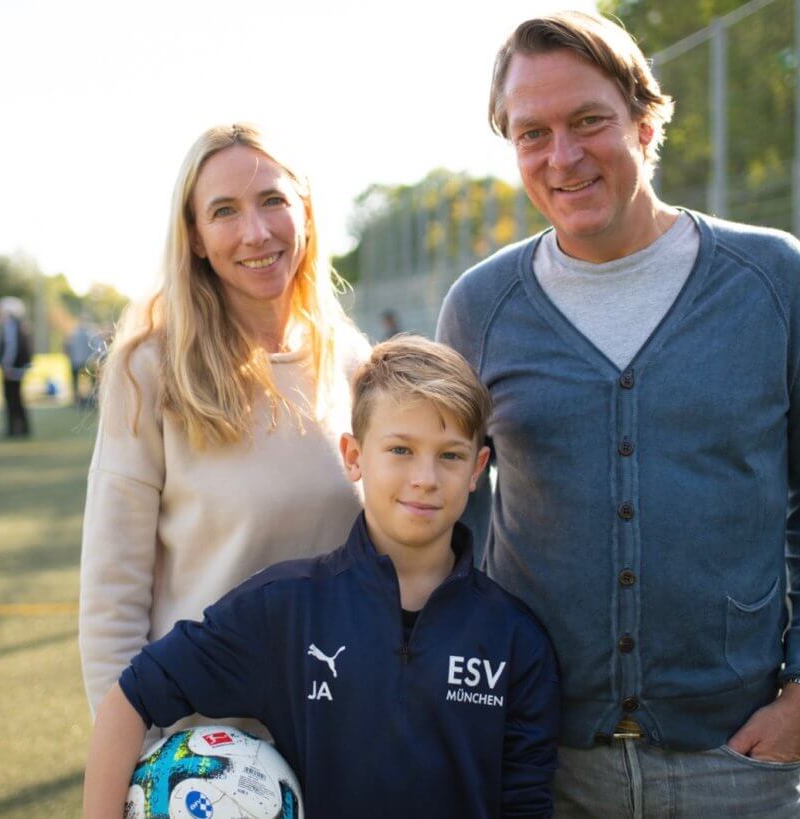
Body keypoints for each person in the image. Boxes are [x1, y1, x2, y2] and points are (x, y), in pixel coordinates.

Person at [436, 10, 800, 817]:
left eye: (589, 120)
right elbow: (446, 515)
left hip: (736, 761)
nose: (562, 156)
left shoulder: (774, 281)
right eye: (532, 133)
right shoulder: (480, 308)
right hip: (540, 765)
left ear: (644, 118)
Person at [82, 336, 560, 819]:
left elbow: (526, 803)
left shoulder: (515, 641)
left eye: (450, 456)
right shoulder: (285, 609)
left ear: (479, 468)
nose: (425, 478)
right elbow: (131, 698)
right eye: (400, 449)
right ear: (353, 456)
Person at [79, 123, 369, 745]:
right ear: (196, 238)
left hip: (340, 739)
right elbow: (112, 596)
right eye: (224, 212)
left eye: (273, 201)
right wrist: (139, 763)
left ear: (307, 214)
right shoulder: (151, 371)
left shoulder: (351, 362)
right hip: (205, 760)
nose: (256, 233)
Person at [0, 296, 32, 438]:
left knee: (12, 398)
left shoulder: (11, 325)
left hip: (11, 370)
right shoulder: (19, 324)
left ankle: (13, 429)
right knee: (17, 398)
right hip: (16, 369)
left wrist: (6, 367)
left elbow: (11, 347)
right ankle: (22, 428)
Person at [64, 317, 93, 407]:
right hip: (86, 361)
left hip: (76, 361)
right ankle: (87, 399)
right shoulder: (89, 334)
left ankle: (78, 399)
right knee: (87, 381)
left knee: (76, 382)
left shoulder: (73, 334)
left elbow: (67, 348)